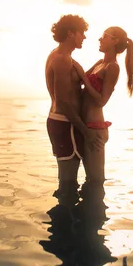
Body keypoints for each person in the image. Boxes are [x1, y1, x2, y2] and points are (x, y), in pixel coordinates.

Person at [45, 14, 102, 204]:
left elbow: (70, 86)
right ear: (71, 33)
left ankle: (69, 224)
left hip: (65, 123)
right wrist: (85, 131)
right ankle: (64, 228)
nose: (84, 37)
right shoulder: (62, 59)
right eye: (82, 33)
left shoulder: (62, 56)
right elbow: (62, 101)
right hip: (66, 124)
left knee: (69, 182)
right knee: (68, 183)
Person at [74, 26, 133, 187]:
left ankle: (97, 211)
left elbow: (102, 100)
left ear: (114, 41)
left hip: (95, 128)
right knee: (87, 180)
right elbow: (78, 80)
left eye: (104, 36)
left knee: (95, 180)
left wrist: (84, 78)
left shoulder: (113, 67)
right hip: (83, 126)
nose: (100, 40)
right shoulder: (100, 63)